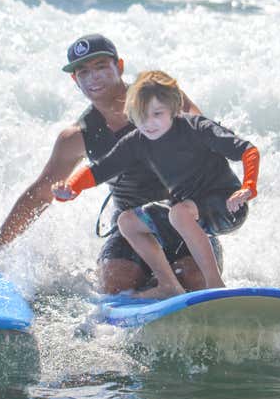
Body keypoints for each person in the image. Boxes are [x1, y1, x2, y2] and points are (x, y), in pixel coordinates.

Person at [0, 34, 218, 294]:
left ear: (119, 66)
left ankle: (170, 285)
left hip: (185, 218)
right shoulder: (76, 137)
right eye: (84, 72)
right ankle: (152, 289)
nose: (93, 77)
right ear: (75, 80)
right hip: (130, 227)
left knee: (194, 279)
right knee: (115, 285)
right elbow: (40, 194)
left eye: (101, 66)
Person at [51, 70, 260, 299]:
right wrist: (72, 187)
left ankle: (215, 286)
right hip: (187, 214)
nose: (149, 123)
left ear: (173, 108)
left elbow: (248, 151)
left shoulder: (197, 128)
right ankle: (168, 284)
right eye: (141, 116)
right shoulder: (138, 141)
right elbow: (100, 169)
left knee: (179, 213)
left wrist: (248, 186)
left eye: (157, 114)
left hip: (227, 205)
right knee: (127, 221)